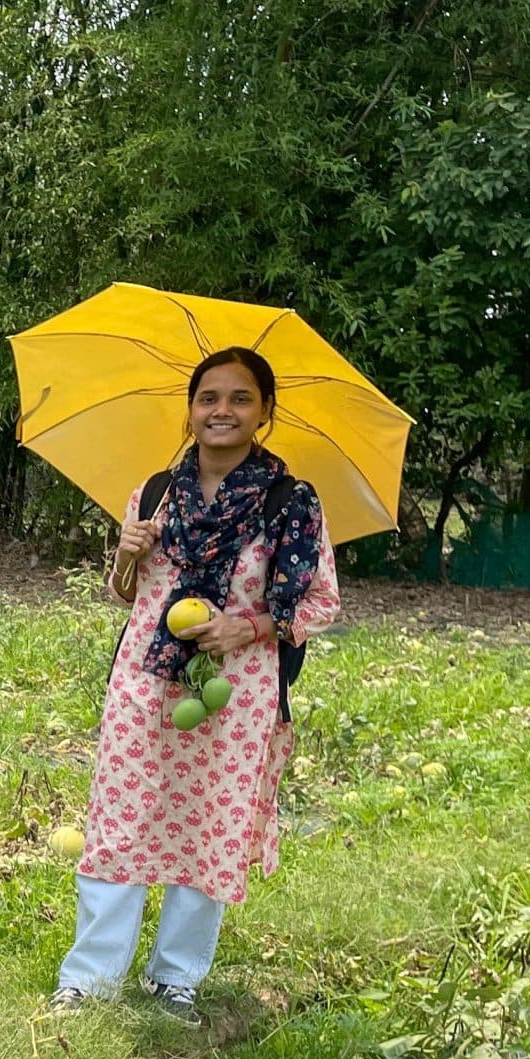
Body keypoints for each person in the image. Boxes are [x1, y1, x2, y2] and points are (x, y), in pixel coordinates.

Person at [49, 346, 342, 1023]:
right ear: (190, 410)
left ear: (265, 414)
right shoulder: (155, 493)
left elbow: (319, 602)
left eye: (241, 398)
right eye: (209, 397)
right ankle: (89, 981)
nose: (222, 410)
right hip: (146, 682)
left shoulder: (289, 502)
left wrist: (247, 627)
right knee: (121, 820)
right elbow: (126, 596)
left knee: (214, 824)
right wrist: (127, 555)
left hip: (234, 690)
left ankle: (174, 979)